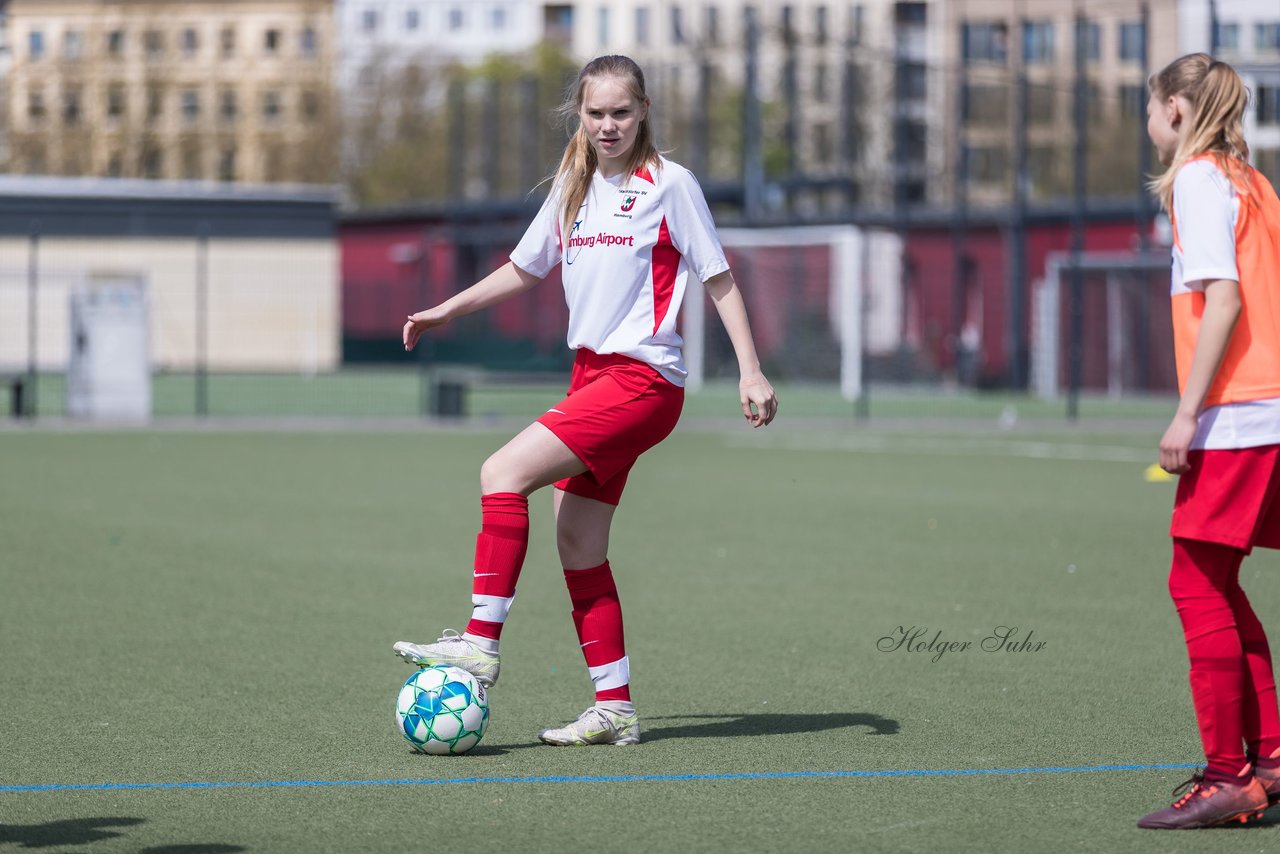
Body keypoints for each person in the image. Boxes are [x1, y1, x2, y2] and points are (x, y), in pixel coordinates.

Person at [392, 55, 778, 746]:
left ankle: (479, 643)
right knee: (577, 542)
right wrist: (447, 309)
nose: (608, 126)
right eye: (596, 113)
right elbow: (523, 266)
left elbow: (717, 277)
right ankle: (616, 707)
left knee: (500, 473)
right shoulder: (573, 186)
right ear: (580, 114)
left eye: (621, 113)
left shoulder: (670, 184)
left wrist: (751, 370)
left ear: (644, 111)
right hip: (592, 380)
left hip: (643, 382)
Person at [1137, 53, 1280, 829]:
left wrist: (1186, 414)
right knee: (1218, 582)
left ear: (1179, 110)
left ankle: (1230, 775)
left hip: (1239, 414)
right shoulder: (1252, 180)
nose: (1148, 120)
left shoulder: (1196, 179)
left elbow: (1223, 298)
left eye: (1152, 105)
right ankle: (1271, 761)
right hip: (1269, 410)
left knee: (1194, 584)